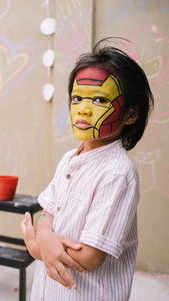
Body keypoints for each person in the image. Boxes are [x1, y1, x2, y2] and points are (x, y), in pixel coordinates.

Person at [21, 38, 154, 301]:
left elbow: (91, 256)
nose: (83, 109)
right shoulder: (70, 158)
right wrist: (46, 236)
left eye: (100, 101)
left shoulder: (117, 174)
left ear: (130, 115)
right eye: (77, 97)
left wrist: (37, 247)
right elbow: (44, 211)